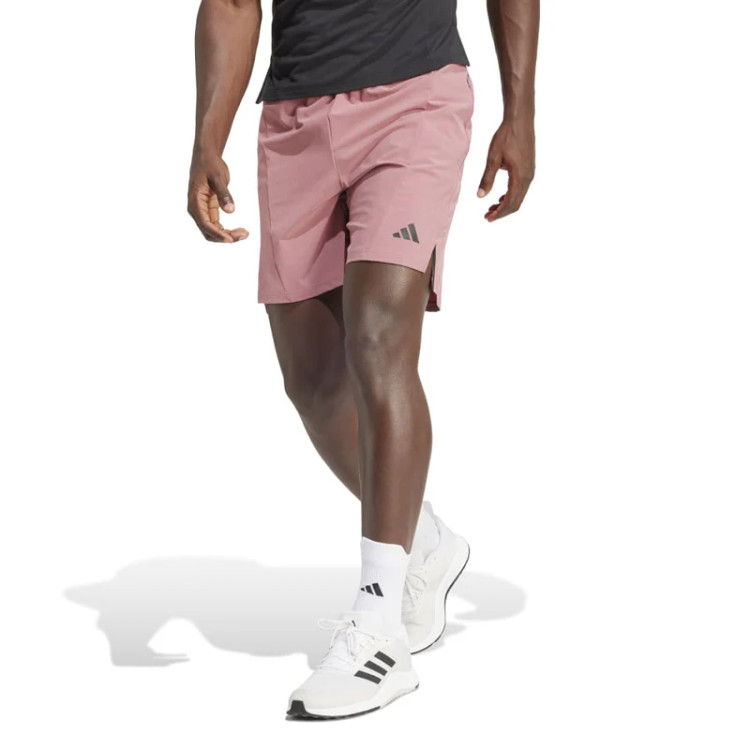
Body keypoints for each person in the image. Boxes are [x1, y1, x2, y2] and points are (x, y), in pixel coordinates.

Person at [187, 0, 539, 719]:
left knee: (377, 340)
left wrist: (521, 112)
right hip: (294, 116)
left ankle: (379, 631)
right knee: (314, 383)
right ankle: (425, 542)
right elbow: (232, 2)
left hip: (416, 99)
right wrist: (206, 138)